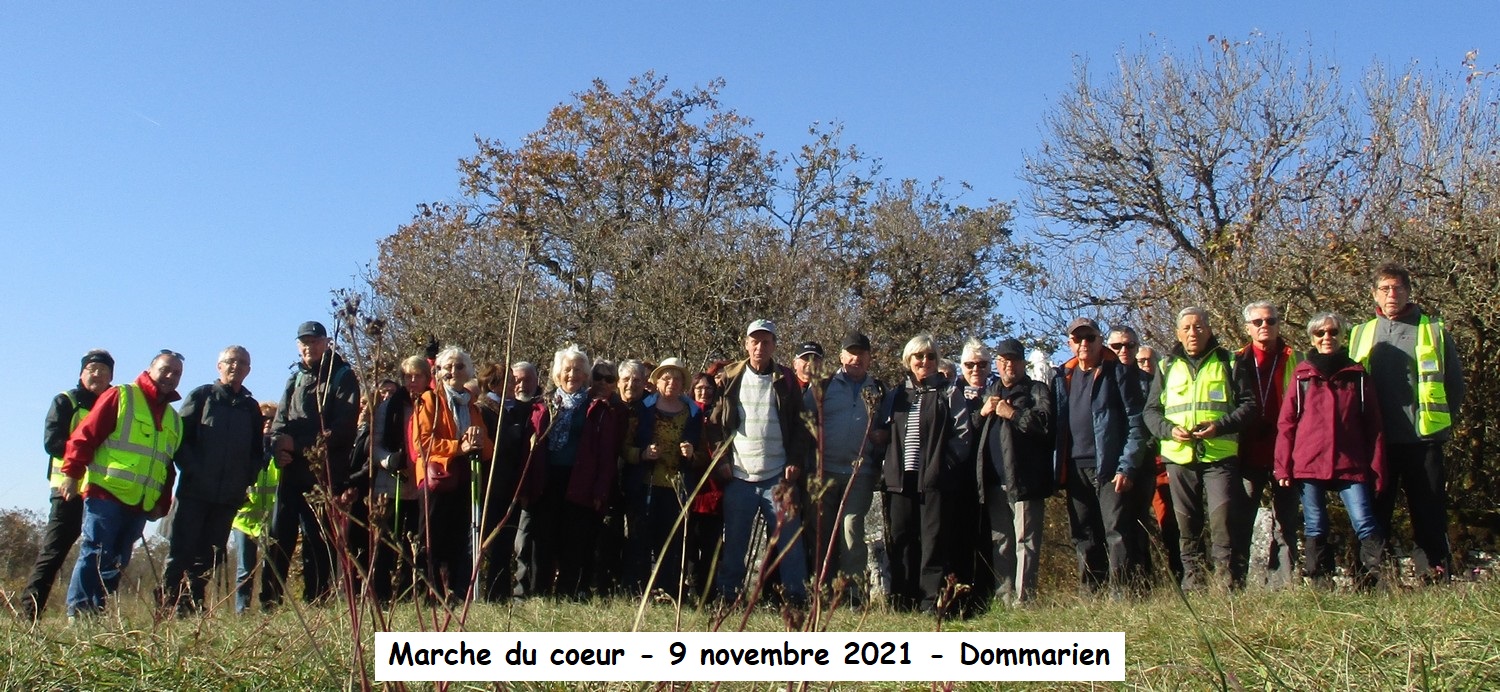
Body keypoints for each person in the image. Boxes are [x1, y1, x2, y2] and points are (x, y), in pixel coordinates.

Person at [1349, 263, 1466, 581]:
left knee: (1429, 514)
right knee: (1374, 515)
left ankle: (1434, 576)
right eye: (1385, 288)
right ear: (1374, 294)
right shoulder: (1360, 333)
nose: (1391, 294)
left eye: (1397, 287)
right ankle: (1370, 580)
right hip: (1377, 443)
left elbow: (1455, 386)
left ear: (1409, 292)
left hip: (1423, 440)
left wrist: (1440, 424)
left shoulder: (1434, 331)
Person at [60, 351, 185, 618]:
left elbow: (166, 465)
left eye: (176, 373)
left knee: (118, 561)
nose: (170, 376)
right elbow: (85, 435)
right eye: (165, 369)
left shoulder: (174, 419)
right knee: (96, 552)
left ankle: (98, 613)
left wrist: (161, 504)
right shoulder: (122, 395)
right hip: (106, 492)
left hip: (140, 501)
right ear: (150, 369)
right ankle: (78, 613)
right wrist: (71, 472)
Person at [1145, 307, 1257, 590]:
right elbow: (1150, 412)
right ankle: (1194, 584)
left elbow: (1250, 406)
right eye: (1186, 328)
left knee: (1223, 522)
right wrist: (1169, 430)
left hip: (1220, 456)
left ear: (1208, 329)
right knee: (1186, 525)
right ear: (1178, 333)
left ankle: (1228, 584)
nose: (1193, 332)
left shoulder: (1230, 361)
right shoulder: (1165, 366)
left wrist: (1220, 426)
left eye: (1198, 326)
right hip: (1178, 457)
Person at [1276, 313, 1388, 587]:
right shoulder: (1302, 375)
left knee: (1364, 521)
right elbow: (1287, 423)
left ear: (1342, 336)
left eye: (1333, 332)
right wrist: (1282, 466)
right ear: (1312, 338)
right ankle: (1320, 583)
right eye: (1320, 333)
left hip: (1350, 462)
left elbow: (1373, 426)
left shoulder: (1358, 376)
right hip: (1309, 462)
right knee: (1315, 524)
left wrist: (1377, 469)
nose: (1327, 337)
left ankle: (1380, 579)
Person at [706, 319, 810, 605]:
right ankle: (728, 596)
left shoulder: (786, 379)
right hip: (740, 475)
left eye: (766, 342)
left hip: (778, 475)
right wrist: (721, 460)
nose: (759, 347)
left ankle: (796, 596)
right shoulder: (730, 377)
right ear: (746, 344)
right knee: (735, 542)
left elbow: (802, 425)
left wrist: (795, 460)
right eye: (755, 341)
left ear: (774, 345)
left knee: (789, 541)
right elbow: (714, 425)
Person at [262, 321, 361, 608]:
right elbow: (279, 423)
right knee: (278, 535)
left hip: (324, 472)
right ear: (298, 346)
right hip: (290, 472)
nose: (309, 347)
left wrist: (299, 445)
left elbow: (343, 428)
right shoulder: (294, 379)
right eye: (304, 342)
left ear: (326, 343)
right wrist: (278, 447)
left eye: (315, 341)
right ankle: (270, 600)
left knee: (317, 537)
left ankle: (317, 599)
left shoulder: (342, 376)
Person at [158, 346, 264, 615]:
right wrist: (193, 470)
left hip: (228, 496)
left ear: (249, 370)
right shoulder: (202, 396)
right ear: (219, 366)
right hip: (195, 491)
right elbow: (180, 439)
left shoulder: (251, 408)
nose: (236, 366)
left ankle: (194, 603)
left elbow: (256, 451)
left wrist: (246, 478)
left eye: (242, 363)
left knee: (210, 554)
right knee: (181, 550)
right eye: (230, 361)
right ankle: (169, 603)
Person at [522, 346, 628, 599]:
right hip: (546, 482)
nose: (572, 375)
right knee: (542, 542)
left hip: (580, 482)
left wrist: (600, 490)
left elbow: (606, 455)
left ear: (586, 375)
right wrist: (525, 486)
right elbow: (529, 450)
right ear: (558, 374)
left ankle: (566, 595)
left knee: (573, 542)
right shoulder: (542, 405)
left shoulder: (597, 408)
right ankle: (539, 596)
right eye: (567, 370)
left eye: (578, 370)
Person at [877, 333, 971, 614]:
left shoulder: (948, 393)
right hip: (900, 480)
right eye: (919, 356)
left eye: (930, 356)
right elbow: (883, 431)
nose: (925, 361)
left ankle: (931, 604)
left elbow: (963, 436)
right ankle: (903, 601)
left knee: (933, 542)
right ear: (909, 360)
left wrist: (944, 466)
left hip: (934, 481)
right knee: (901, 539)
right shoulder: (896, 395)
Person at [1054, 318, 1150, 595]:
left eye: (1090, 338)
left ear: (1100, 341)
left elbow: (1136, 423)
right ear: (1070, 343)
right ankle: (1091, 595)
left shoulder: (1118, 372)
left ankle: (1122, 594)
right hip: (1075, 468)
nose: (1084, 343)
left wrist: (1126, 466)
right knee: (1084, 534)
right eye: (1078, 339)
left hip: (1109, 467)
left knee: (1116, 532)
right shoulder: (1063, 376)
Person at [19, 349, 115, 621]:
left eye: (104, 370)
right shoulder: (66, 401)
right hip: (67, 489)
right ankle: (29, 613)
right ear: (81, 373)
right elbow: (52, 443)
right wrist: (84, 454)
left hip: (102, 489)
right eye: (92, 369)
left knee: (99, 554)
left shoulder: (115, 405)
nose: (97, 374)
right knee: (54, 551)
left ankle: (90, 614)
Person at [802, 331, 887, 604]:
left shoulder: (879, 390)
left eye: (861, 354)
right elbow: (803, 420)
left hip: (859, 473)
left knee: (852, 529)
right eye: (851, 353)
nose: (856, 359)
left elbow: (888, 427)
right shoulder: (823, 385)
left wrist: (882, 437)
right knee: (822, 533)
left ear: (869, 358)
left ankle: (852, 594)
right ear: (841, 356)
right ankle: (822, 593)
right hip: (824, 472)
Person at [976, 338, 1054, 606]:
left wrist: (1012, 413)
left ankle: (1024, 601)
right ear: (997, 363)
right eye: (1004, 360)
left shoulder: (1036, 390)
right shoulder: (991, 391)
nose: (1009, 365)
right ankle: (1005, 600)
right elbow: (972, 430)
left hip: (1025, 481)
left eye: (1014, 360)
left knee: (1025, 542)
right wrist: (982, 412)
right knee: (1001, 542)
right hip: (994, 481)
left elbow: (1045, 426)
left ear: (1023, 363)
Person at [412, 347, 492, 604]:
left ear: (468, 372)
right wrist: (459, 447)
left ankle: (457, 593)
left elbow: (487, 449)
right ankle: (429, 593)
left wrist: (479, 442)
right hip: (438, 479)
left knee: (459, 537)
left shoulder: (473, 406)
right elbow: (422, 442)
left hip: (465, 478)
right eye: (448, 367)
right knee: (431, 537)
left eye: (459, 367)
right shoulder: (429, 401)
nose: (453, 371)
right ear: (438, 371)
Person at [1233, 301, 1304, 588]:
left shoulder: (1295, 359)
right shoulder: (1235, 360)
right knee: (1241, 521)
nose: (1265, 326)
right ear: (1247, 328)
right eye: (1258, 322)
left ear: (1278, 324)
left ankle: (1282, 584)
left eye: (1271, 321)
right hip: (1248, 454)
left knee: (1286, 522)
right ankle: (1235, 583)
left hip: (1287, 453)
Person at [622, 358, 705, 596]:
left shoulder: (693, 413)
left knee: (671, 543)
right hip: (644, 485)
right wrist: (642, 454)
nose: (671, 382)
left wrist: (691, 454)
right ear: (657, 382)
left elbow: (703, 456)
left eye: (677, 379)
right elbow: (624, 448)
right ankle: (636, 590)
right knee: (639, 539)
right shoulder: (642, 409)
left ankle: (666, 592)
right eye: (666, 378)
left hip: (677, 488)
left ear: (683, 384)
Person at [475, 361, 547, 602]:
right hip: (491, 486)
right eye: (509, 381)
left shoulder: (517, 409)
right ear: (494, 384)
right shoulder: (484, 409)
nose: (515, 385)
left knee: (505, 544)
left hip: (512, 487)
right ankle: (484, 592)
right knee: (489, 541)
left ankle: (499, 593)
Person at [231, 402, 280, 613]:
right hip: (244, 519)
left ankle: (268, 607)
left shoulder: (280, 453)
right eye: (263, 419)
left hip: (271, 520)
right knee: (245, 567)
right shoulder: (245, 448)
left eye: (272, 419)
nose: (267, 423)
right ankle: (242, 610)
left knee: (272, 566)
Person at [685, 372, 724, 599]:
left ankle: (708, 592)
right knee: (690, 542)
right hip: (692, 485)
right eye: (699, 388)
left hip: (715, 487)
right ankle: (691, 588)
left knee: (711, 543)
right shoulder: (687, 412)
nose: (704, 392)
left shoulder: (720, 414)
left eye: (709, 388)